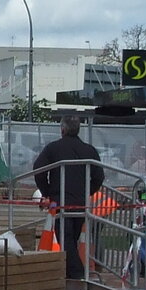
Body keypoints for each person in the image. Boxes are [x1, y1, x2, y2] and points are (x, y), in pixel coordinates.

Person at [33, 115, 103, 280]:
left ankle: (77, 273)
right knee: (71, 238)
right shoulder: (89, 150)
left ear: (62, 129)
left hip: (61, 201)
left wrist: (47, 191)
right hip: (80, 202)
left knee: (66, 238)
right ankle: (73, 272)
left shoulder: (54, 148)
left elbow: (38, 169)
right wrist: (88, 191)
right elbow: (99, 176)